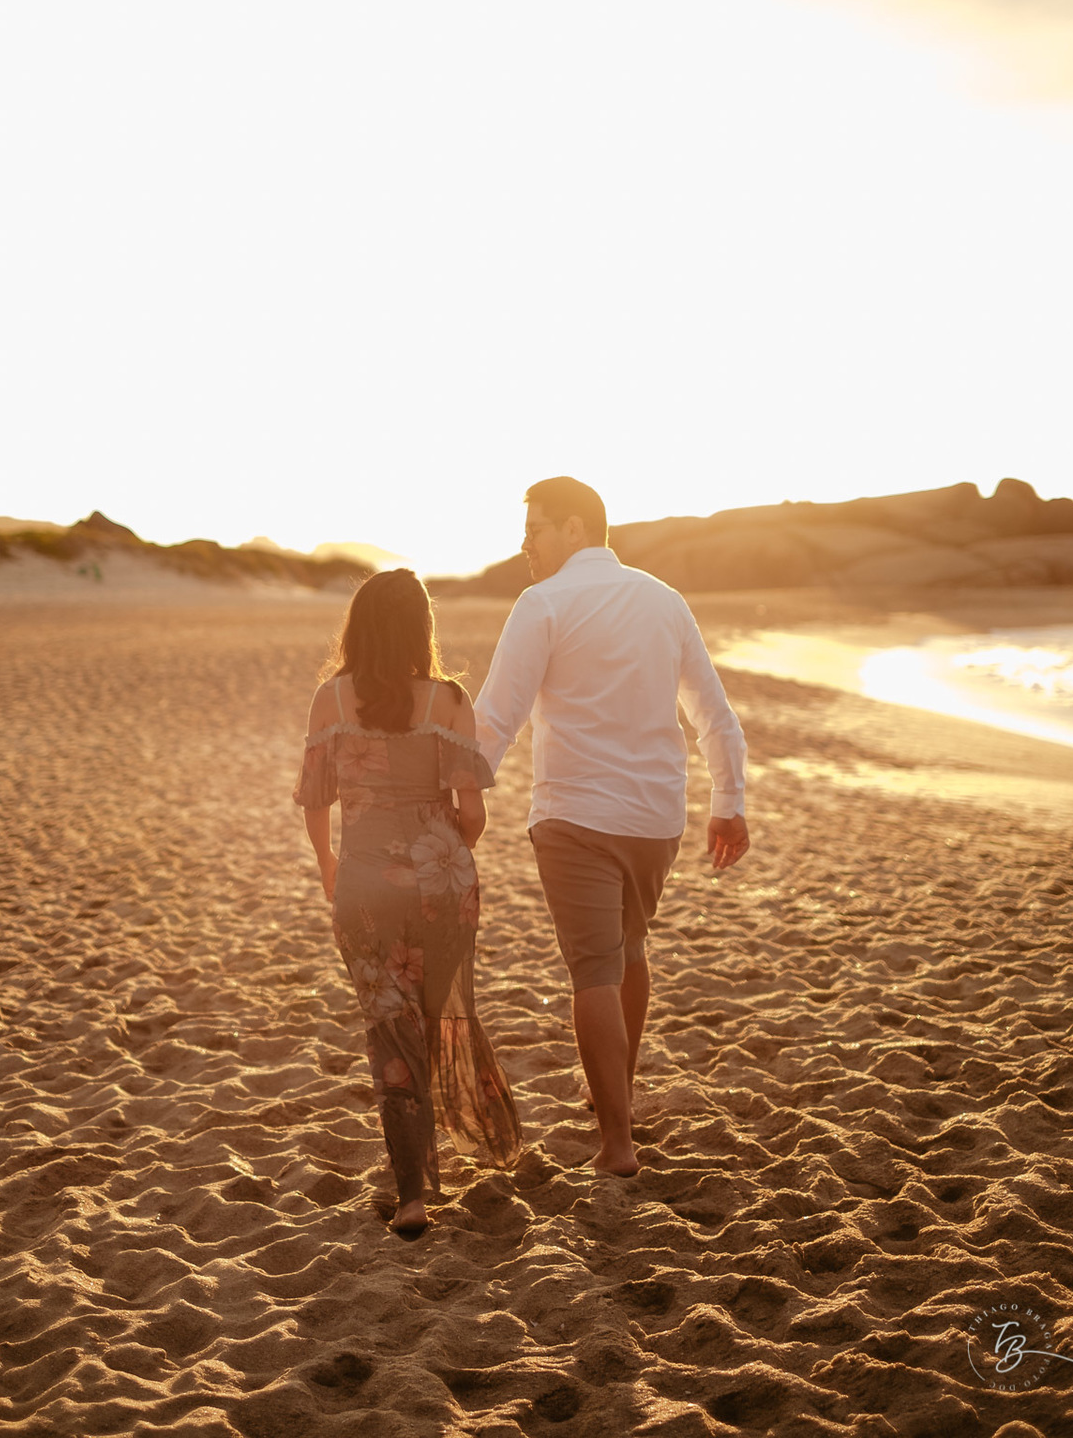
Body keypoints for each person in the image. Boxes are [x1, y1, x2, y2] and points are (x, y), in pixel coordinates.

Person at [473, 477, 749, 1177]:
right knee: (628, 949)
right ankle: (617, 1098)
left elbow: (495, 716)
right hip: (657, 818)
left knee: (594, 967)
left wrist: (461, 797)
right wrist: (729, 799)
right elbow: (712, 710)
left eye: (534, 528)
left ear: (574, 528)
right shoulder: (664, 600)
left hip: (574, 815)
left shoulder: (543, 603)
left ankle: (618, 1144)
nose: (524, 543)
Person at [293, 568, 522, 1237]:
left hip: (363, 883)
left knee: (390, 1029)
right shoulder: (449, 701)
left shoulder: (329, 701)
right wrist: (446, 846)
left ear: (358, 627)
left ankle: (413, 1193)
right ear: (422, 628)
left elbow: (315, 802)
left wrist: (330, 863)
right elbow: (472, 813)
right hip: (442, 881)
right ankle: (460, 1131)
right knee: (443, 1011)